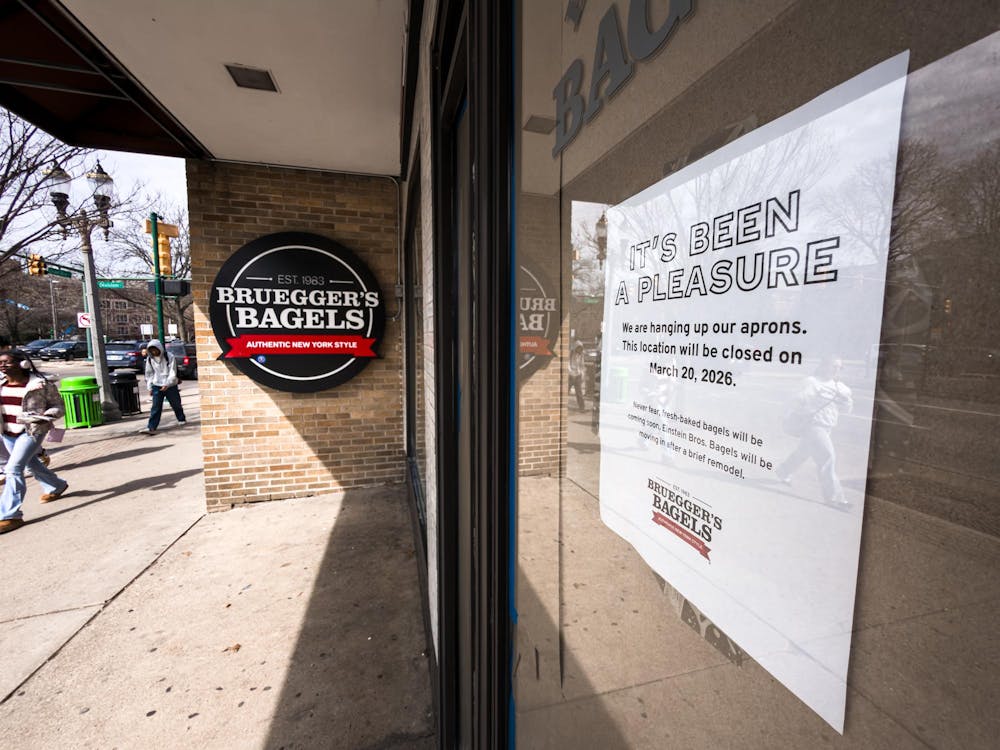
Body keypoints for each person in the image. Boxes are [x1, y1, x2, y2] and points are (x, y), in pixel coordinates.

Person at [0, 350, 70, 534]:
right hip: (7, 432)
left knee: (13, 469)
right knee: (31, 464)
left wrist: (44, 416)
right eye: (0, 362)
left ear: (23, 364)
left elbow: (59, 406)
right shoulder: (0, 384)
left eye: (7, 362)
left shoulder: (39, 384)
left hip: (31, 431)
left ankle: (10, 515)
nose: (2, 366)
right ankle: (56, 485)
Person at [776, 357, 853, 507]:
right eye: (833, 366)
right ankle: (835, 497)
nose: (836, 370)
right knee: (827, 457)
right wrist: (808, 402)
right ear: (823, 366)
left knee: (803, 452)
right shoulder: (812, 382)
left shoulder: (839, 387)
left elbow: (847, 409)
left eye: (839, 367)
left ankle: (783, 471)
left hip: (828, 426)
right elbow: (795, 401)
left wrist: (845, 401)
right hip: (813, 426)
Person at [140, 339, 186, 434]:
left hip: (170, 385)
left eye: (155, 350)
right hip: (157, 384)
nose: (154, 352)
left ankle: (181, 418)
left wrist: (167, 384)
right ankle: (152, 426)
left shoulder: (169, 357)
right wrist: (150, 387)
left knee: (176, 403)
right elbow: (149, 374)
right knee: (156, 406)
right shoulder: (150, 359)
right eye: (151, 350)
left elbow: (172, 372)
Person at [568, 340, 586, 410]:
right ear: (576, 347)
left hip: (577, 375)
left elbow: (582, 364)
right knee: (566, 391)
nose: (580, 350)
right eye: (578, 348)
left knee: (579, 392)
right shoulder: (571, 353)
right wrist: (570, 371)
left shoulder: (581, 354)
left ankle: (582, 407)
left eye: (581, 348)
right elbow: (568, 363)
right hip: (571, 375)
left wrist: (581, 372)